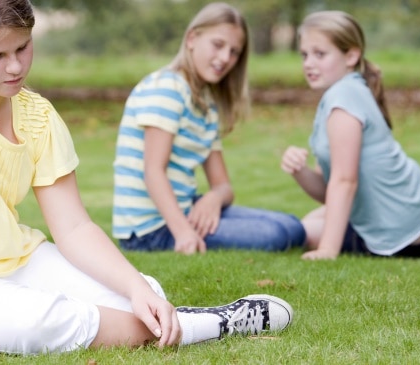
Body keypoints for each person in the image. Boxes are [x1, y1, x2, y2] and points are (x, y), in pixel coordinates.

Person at [0, 0, 295, 358]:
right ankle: (212, 323)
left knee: (145, 292)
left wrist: (135, 287)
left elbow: (74, 227)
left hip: (16, 260)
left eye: (22, 47)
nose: (15, 67)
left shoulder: (37, 114)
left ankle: (154, 316)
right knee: (38, 325)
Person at [112, 2, 306, 255]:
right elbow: (153, 171)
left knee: (292, 226)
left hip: (185, 209)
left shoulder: (205, 103)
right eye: (218, 45)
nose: (225, 58)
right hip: (151, 230)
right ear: (192, 38)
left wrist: (212, 199)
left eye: (234, 52)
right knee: (277, 235)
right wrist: (183, 233)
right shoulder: (167, 88)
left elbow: (224, 186)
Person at [280, 10, 420, 260]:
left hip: (402, 229)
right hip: (419, 211)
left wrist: (327, 249)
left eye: (319, 54)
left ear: (351, 55)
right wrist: (299, 170)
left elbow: (345, 181)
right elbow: (328, 188)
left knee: (303, 232)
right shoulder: (344, 92)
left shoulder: (343, 98)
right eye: (304, 55)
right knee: (310, 220)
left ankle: (415, 243)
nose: (308, 63)